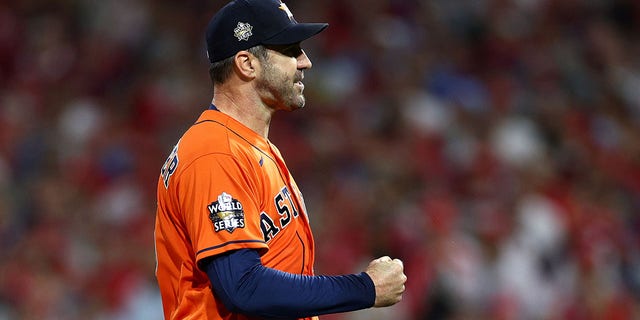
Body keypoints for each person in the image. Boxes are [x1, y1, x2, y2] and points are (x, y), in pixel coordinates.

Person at [154, 0, 407, 319]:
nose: (305, 62)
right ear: (247, 64)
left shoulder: (248, 146)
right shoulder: (215, 153)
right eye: (290, 50)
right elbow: (243, 287)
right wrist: (364, 288)